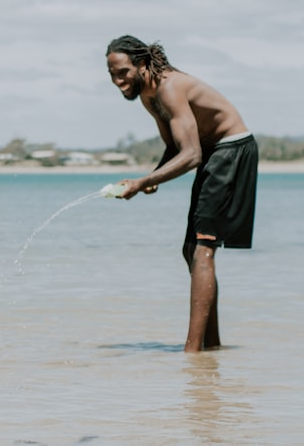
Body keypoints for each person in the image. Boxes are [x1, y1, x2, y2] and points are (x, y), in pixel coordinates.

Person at [105, 35, 257, 352]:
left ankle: (192, 352)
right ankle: (210, 347)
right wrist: (151, 179)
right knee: (192, 250)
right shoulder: (148, 96)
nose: (119, 82)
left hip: (231, 150)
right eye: (112, 76)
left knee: (203, 248)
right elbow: (174, 147)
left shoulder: (170, 88)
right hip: (213, 152)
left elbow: (191, 156)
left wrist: (142, 181)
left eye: (123, 73)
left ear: (142, 64)